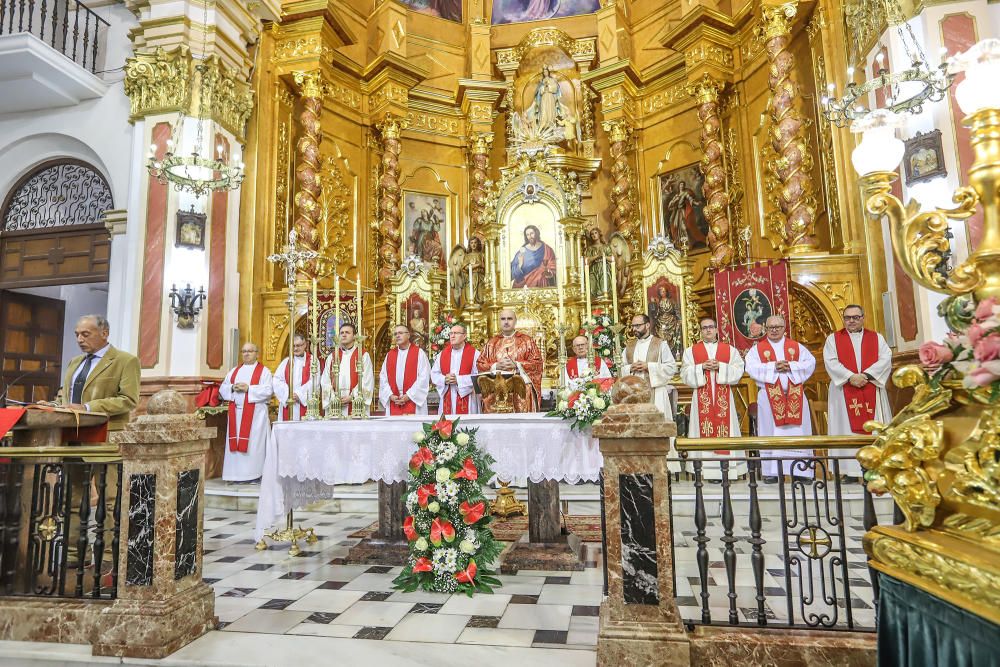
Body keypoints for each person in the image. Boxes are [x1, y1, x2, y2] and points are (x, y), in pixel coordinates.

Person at [823, 305, 893, 481]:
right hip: (844, 390)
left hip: (871, 387)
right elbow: (830, 361)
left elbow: (886, 358)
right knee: (845, 429)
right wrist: (850, 377)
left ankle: (874, 467)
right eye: (847, 318)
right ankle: (850, 471)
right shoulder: (833, 339)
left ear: (863, 317)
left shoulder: (876, 338)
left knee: (873, 428)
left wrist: (866, 376)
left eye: (855, 317)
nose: (851, 321)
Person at [745, 315, 816, 482]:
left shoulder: (797, 347)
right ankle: (772, 472)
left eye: (778, 327)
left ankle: (802, 471)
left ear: (784, 328)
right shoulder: (757, 350)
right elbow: (751, 367)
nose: (774, 330)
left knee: (799, 432)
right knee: (769, 431)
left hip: (795, 395)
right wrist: (773, 366)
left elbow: (810, 363)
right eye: (771, 327)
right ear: (765, 329)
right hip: (769, 397)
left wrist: (791, 366)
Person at [680, 318, 746, 480]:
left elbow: (739, 370)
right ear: (700, 331)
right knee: (702, 430)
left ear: (717, 330)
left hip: (723, 396)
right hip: (701, 396)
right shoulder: (691, 351)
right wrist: (701, 367)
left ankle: (726, 469)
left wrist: (720, 367)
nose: (708, 330)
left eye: (710, 327)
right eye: (704, 328)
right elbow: (684, 373)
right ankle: (705, 470)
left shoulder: (729, 350)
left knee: (726, 427)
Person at [62, 315, 140, 431]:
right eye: (77, 334)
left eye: (85, 334)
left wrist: (87, 408)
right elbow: (67, 396)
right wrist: (51, 405)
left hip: (102, 431)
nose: (79, 339)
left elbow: (128, 400)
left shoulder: (126, 361)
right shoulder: (75, 362)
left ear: (104, 334)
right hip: (68, 430)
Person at [219, 343, 273, 482]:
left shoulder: (264, 371)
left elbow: (268, 391)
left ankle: (254, 475)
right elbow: (222, 389)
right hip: (236, 413)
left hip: (256, 415)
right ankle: (235, 475)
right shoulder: (234, 371)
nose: (246, 354)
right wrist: (232, 387)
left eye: (250, 351)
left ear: (257, 353)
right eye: (244, 351)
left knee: (254, 446)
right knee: (235, 445)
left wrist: (249, 388)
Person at [477, 308, 544, 412]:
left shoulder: (527, 341)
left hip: (521, 392)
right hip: (496, 393)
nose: (506, 322)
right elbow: (480, 364)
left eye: (509, 319)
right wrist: (496, 366)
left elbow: (537, 363)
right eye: (503, 319)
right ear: (499, 321)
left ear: (515, 321)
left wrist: (517, 365)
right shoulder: (492, 343)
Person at [622, 314, 678, 422]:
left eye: (638, 325)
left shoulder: (660, 344)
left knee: (658, 426)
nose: (634, 329)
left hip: (656, 393)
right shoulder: (629, 346)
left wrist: (649, 366)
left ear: (647, 325)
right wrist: (630, 368)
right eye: (633, 326)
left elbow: (671, 367)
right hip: (634, 393)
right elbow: (620, 368)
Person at [321, 322, 374, 415]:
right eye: (341, 333)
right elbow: (325, 380)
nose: (344, 335)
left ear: (354, 336)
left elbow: (367, 379)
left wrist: (353, 396)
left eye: (347, 332)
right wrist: (333, 397)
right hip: (335, 404)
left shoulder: (363, 355)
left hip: (356, 404)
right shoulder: (332, 357)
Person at [379, 324, 431, 415]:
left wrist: (409, 395)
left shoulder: (419, 353)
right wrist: (390, 395)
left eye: (400, 333)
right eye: (395, 334)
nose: (397, 336)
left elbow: (424, 377)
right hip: (394, 401)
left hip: (413, 400)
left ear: (408, 335)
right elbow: (383, 378)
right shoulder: (390, 355)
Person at [430, 323, 480, 415]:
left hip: (468, 397)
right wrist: (444, 379)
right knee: (447, 427)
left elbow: (479, 376)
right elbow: (434, 374)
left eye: (456, 333)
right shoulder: (442, 354)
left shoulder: (475, 354)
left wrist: (458, 380)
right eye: (450, 333)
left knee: (467, 427)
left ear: (464, 336)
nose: (452, 336)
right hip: (447, 396)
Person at [272, 334, 320, 421]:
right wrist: (288, 394)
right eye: (293, 346)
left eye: (298, 345)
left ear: (305, 345)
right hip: (288, 403)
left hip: (305, 404)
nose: (295, 349)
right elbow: (276, 380)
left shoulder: (313, 360)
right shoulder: (286, 362)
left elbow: (315, 381)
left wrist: (299, 394)